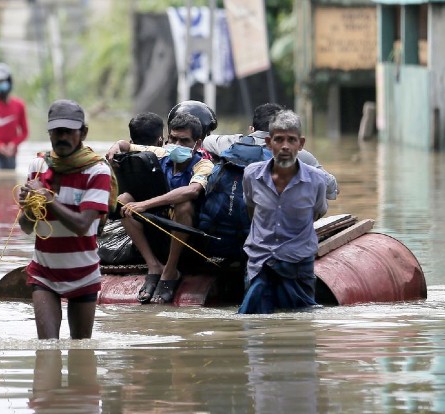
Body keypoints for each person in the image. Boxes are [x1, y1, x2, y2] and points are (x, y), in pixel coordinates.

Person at [18, 99, 116, 339]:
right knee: (47, 348)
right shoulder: (38, 166)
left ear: (83, 133)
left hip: (83, 273)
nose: (62, 137)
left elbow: (82, 225)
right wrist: (28, 205)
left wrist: (47, 198)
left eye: (69, 132)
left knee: (81, 349)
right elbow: (26, 227)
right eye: (57, 131)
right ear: (50, 132)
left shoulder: (98, 171)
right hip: (44, 272)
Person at [106, 112, 214, 304]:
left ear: (197, 144)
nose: (177, 145)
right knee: (123, 199)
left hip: (187, 231)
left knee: (184, 205)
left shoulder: (203, 164)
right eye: (173, 139)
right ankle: (153, 265)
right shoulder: (161, 152)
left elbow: (192, 191)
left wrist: (145, 204)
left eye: (184, 141)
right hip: (159, 225)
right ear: (166, 138)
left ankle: (170, 270)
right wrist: (115, 149)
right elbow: (125, 145)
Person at [237, 110, 328, 314]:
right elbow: (252, 210)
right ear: (269, 143)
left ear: (301, 144)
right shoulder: (252, 175)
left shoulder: (316, 180)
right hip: (259, 261)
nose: (285, 146)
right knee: (253, 325)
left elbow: (317, 213)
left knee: (301, 327)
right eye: (279, 139)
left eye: (291, 140)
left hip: (297, 263)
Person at [203, 103, 338, 200]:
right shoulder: (298, 154)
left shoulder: (232, 143)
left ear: (251, 130)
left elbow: (205, 141)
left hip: (230, 219)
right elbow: (331, 188)